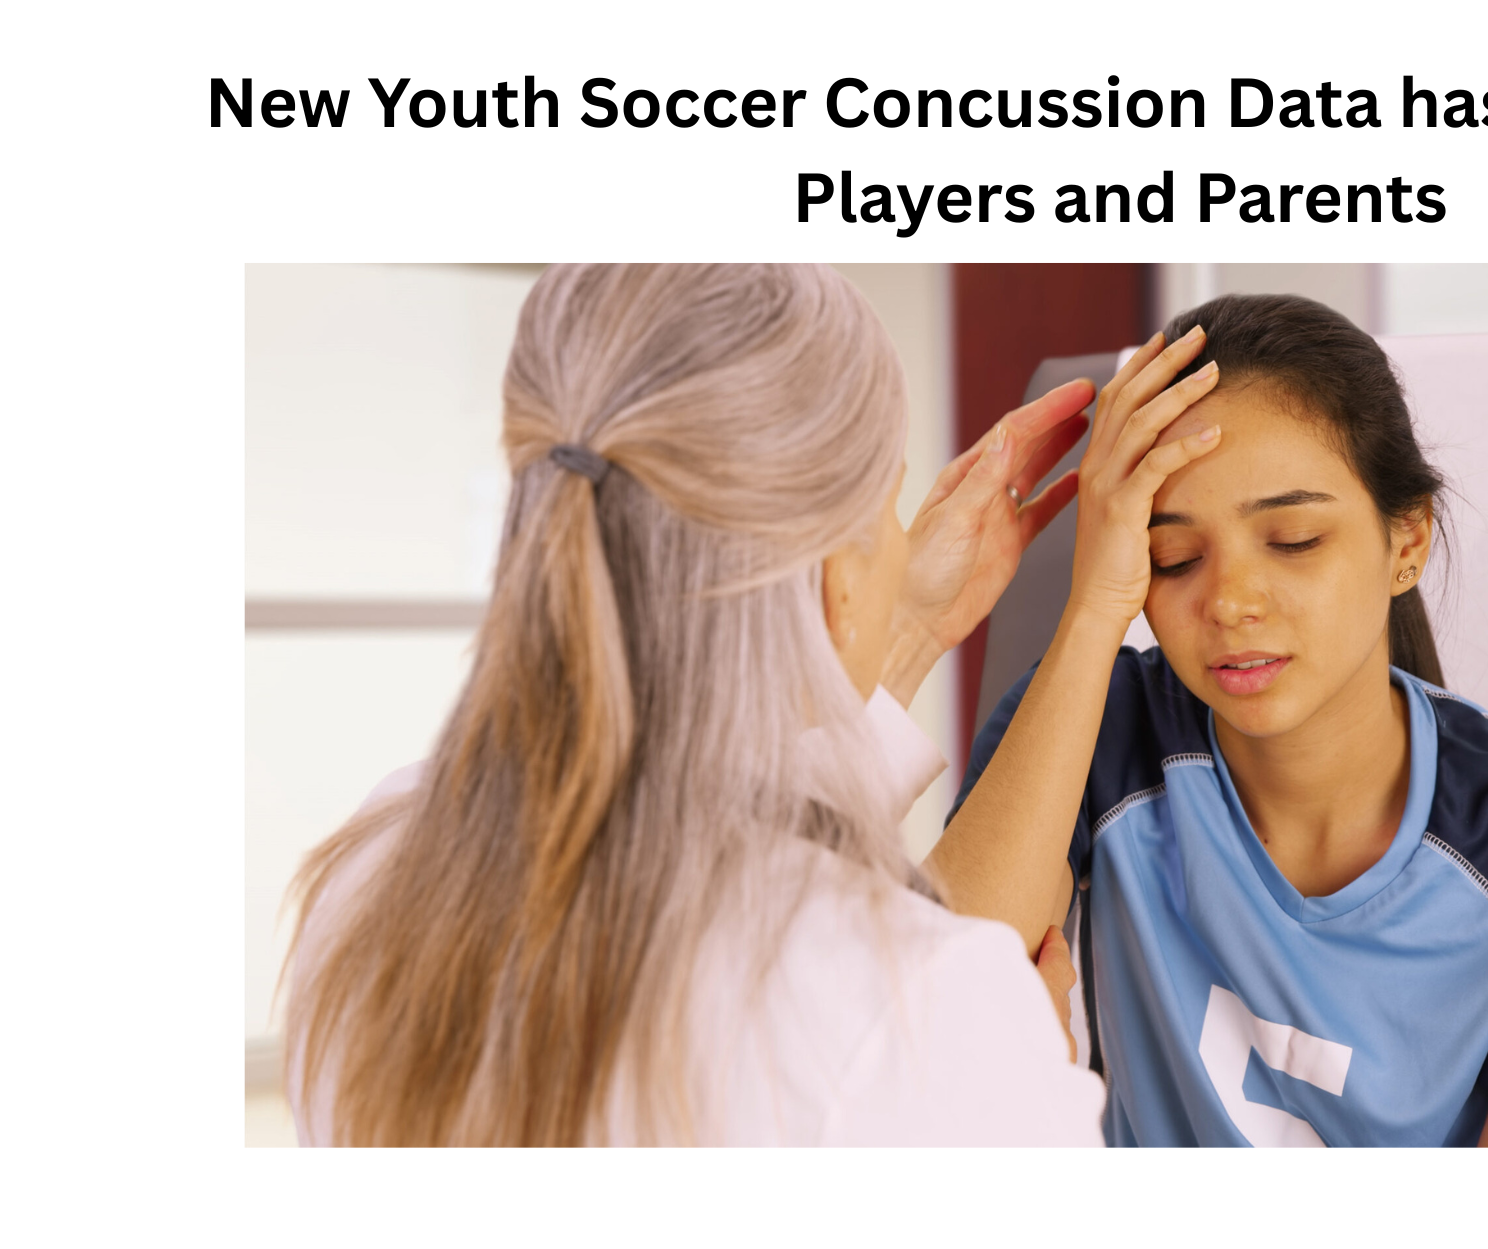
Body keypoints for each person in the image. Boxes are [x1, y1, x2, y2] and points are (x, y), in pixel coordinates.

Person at [284, 264, 1106, 1145]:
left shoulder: (373, 873)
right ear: (837, 576)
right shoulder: (921, 1011)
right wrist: (1028, 1084)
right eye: (888, 511)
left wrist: (900, 631)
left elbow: (715, 810)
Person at [929, 293, 1488, 1147]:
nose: (1230, 602)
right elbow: (924, 1029)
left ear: (1406, 541)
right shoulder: (1093, 729)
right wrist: (1094, 608)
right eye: (1171, 556)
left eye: (1293, 540)